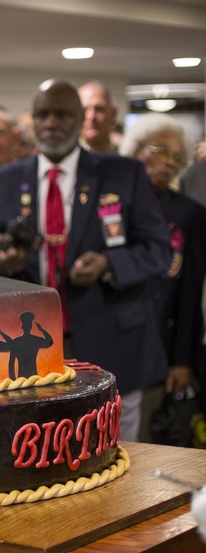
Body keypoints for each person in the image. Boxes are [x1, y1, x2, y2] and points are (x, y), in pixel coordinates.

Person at [0, 78, 172, 443]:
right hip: (30, 347)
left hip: (112, 337)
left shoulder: (124, 174)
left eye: (62, 114)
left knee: (120, 450)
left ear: (80, 119)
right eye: (43, 114)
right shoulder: (1, 182)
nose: (51, 123)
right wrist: (0, 263)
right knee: (43, 446)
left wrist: (109, 264)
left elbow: (158, 249)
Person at [119, 113, 206, 442]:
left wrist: (182, 359)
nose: (168, 162)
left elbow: (190, 291)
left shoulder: (189, 214)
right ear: (136, 149)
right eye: (160, 151)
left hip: (162, 343)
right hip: (115, 337)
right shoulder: (111, 205)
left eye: (176, 157)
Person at [77, 80, 119, 154]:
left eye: (99, 109)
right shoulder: (65, 158)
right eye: (84, 110)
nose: (91, 117)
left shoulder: (127, 155)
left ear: (113, 114)